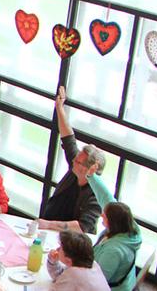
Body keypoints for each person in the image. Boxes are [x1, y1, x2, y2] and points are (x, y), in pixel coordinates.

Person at [36, 86, 104, 234]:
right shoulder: (76, 167)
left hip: (72, 241)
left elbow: (83, 226)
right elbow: (68, 137)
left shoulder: (96, 194)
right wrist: (59, 108)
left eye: (78, 162)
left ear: (90, 169)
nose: (73, 162)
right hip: (50, 227)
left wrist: (48, 225)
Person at [88, 170, 141, 290]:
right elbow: (106, 198)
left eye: (105, 215)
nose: (101, 215)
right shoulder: (128, 227)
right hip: (125, 281)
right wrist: (92, 176)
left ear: (113, 222)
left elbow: (98, 280)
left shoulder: (113, 252)